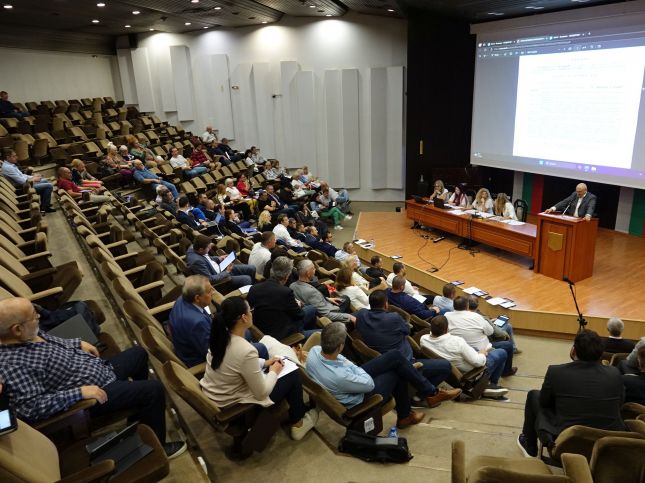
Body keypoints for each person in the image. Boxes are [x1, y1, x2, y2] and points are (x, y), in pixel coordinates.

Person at [0, 297, 186, 458]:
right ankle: (158, 448)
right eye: (34, 316)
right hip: (92, 395)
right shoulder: (11, 366)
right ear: (17, 329)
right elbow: (31, 408)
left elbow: (52, 342)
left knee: (138, 354)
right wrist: (79, 393)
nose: (39, 318)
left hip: (100, 370)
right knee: (153, 390)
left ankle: (139, 414)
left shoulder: (28, 332)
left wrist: (77, 343)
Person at [200, 297, 318, 441]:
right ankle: (298, 423)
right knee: (293, 374)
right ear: (244, 317)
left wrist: (266, 363)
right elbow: (262, 393)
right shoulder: (245, 349)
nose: (252, 313)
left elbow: (235, 362)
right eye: (250, 311)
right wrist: (274, 370)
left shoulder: (219, 338)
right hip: (233, 403)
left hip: (218, 392)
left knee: (271, 360)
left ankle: (294, 410)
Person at [306, 323, 460, 428]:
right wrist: (355, 369)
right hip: (359, 397)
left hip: (349, 376)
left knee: (395, 356)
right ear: (340, 346)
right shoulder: (340, 377)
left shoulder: (314, 351)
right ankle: (408, 413)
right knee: (397, 371)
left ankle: (430, 394)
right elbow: (368, 384)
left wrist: (353, 368)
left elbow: (345, 362)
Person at [517, 330, 626, 457]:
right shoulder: (614, 373)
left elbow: (544, 403)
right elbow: (620, 403)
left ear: (573, 351)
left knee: (534, 395)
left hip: (566, 442)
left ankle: (530, 446)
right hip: (608, 444)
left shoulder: (556, 372)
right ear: (601, 353)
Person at [356, 291, 461, 399]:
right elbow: (407, 330)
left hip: (381, 360)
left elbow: (354, 317)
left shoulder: (361, 314)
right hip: (406, 362)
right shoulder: (393, 317)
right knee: (446, 366)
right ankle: (422, 396)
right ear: (386, 304)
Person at [421, 315, 509, 397]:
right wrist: (482, 354)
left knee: (475, 348)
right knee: (502, 352)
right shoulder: (457, 341)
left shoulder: (423, 339)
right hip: (473, 371)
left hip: (452, 370)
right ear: (447, 328)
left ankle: (488, 384)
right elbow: (478, 363)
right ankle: (489, 385)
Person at [247, 257, 319, 340]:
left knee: (312, 308)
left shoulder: (254, 288)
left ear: (271, 270)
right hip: (281, 335)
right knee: (320, 329)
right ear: (287, 275)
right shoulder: (286, 292)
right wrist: (298, 305)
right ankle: (303, 337)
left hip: (262, 327)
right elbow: (299, 315)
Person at [446, 296, 517, 377]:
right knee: (507, 346)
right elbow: (490, 332)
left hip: (460, 349)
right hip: (480, 350)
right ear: (467, 306)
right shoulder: (477, 317)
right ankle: (504, 373)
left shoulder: (447, 315)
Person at [290, 260, 355, 324]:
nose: (315, 270)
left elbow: (310, 301)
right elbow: (327, 315)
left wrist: (327, 299)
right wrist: (349, 316)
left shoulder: (292, 286)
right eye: (313, 268)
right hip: (329, 314)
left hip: (321, 306)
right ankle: (345, 324)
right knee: (348, 301)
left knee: (345, 298)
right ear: (308, 273)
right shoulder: (311, 292)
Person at [186, 234, 256, 289]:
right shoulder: (197, 261)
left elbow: (207, 258)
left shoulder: (193, 247)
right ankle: (248, 292)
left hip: (221, 268)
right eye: (208, 247)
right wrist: (227, 272)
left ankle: (253, 288)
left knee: (252, 268)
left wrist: (218, 258)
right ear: (201, 249)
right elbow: (210, 279)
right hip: (221, 279)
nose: (210, 248)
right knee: (247, 279)